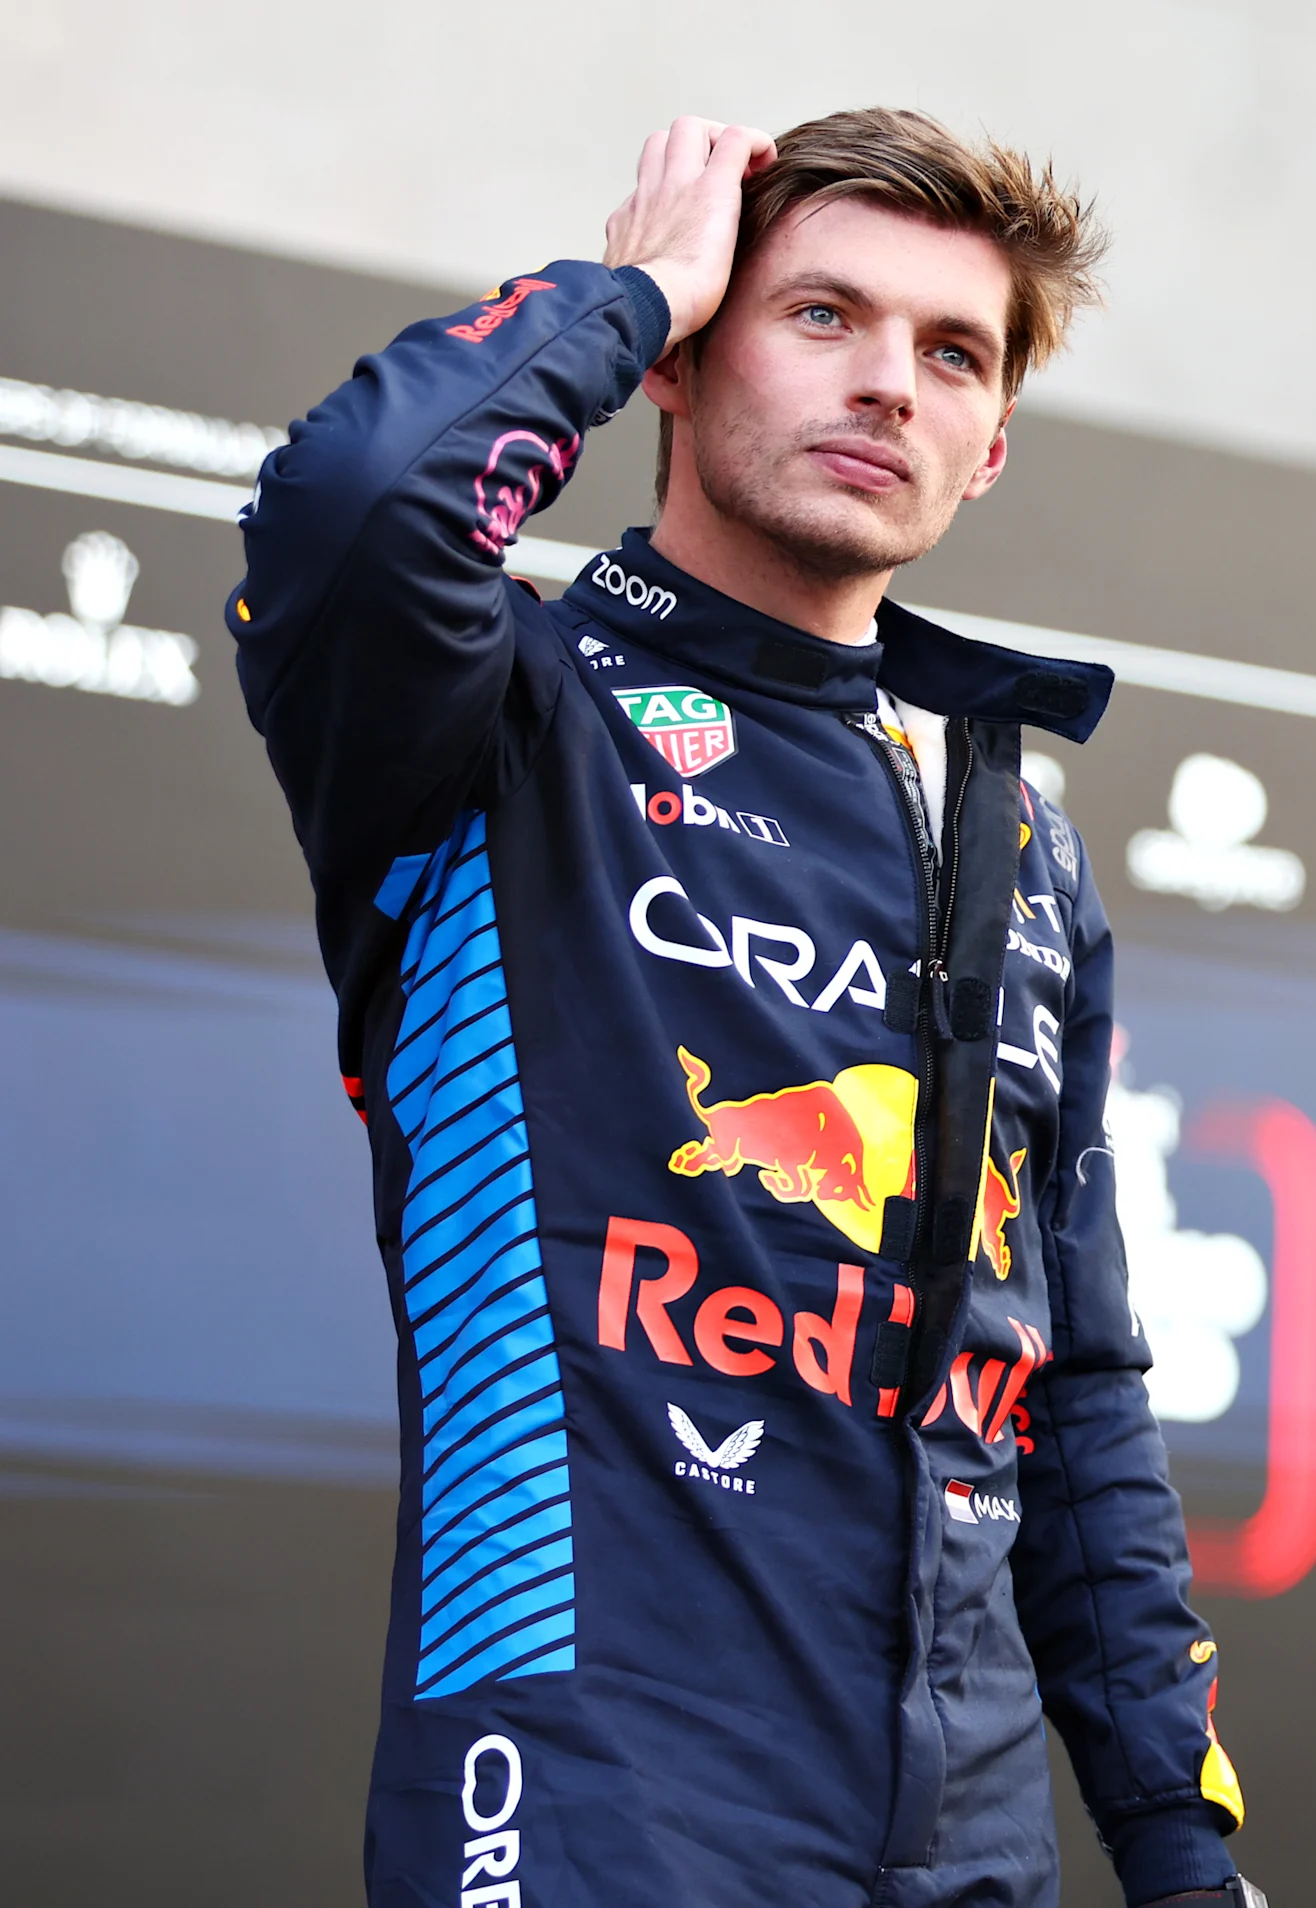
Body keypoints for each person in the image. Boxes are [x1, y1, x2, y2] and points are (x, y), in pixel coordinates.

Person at [228, 113, 1259, 1906]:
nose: (888, 386)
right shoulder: (502, 720)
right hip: (588, 1810)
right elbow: (360, 502)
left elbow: (1069, 1383)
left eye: (951, 353)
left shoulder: (1008, 829)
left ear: (992, 442)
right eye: (820, 318)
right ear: (683, 368)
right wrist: (628, 285)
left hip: (969, 1835)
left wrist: (1181, 1849)